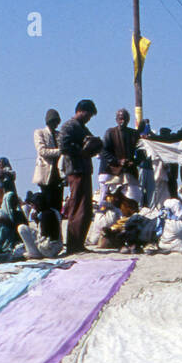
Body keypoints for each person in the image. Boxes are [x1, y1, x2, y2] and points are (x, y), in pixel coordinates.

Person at [58, 100, 102, 254]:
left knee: (86, 208)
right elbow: (63, 146)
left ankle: (79, 243)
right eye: (88, 115)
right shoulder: (69, 126)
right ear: (81, 111)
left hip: (84, 169)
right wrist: (81, 150)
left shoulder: (83, 128)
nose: (89, 118)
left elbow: (93, 146)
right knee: (77, 206)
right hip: (75, 170)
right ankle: (73, 245)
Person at [99, 108, 142, 202]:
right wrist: (118, 161)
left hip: (129, 172)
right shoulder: (110, 132)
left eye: (125, 119)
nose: (122, 121)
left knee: (134, 198)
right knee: (109, 200)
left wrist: (134, 162)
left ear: (128, 120)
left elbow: (141, 152)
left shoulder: (134, 134)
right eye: (120, 119)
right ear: (117, 120)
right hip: (112, 172)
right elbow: (104, 151)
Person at [32, 109, 63, 214]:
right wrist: (60, 152)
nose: (55, 124)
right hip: (46, 174)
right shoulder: (40, 133)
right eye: (53, 121)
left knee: (58, 204)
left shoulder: (60, 135)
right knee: (48, 204)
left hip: (59, 173)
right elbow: (42, 151)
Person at [0, 187, 28, 253]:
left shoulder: (20, 215)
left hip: (18, 244)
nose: (13, 203)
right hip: (3, 245)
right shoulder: (1, 215)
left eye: (14, 201)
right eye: (11, 201)